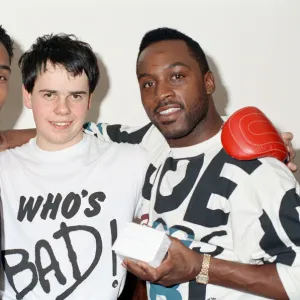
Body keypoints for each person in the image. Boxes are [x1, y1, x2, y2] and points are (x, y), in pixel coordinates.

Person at [84, 28, 300, 299]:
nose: (161, 93)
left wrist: (199, 266)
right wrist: (11, 138)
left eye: (177, 76)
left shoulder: (255, 165)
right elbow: (69, 130)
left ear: (208, 82)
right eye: (148, 83)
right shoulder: (150, 141)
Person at [0, 33, 149, 300]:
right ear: (27, 95)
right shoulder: (4, 168)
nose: (63, 109)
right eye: (49, 94)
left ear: (90, 99)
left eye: (76, 96)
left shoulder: (132, 161)